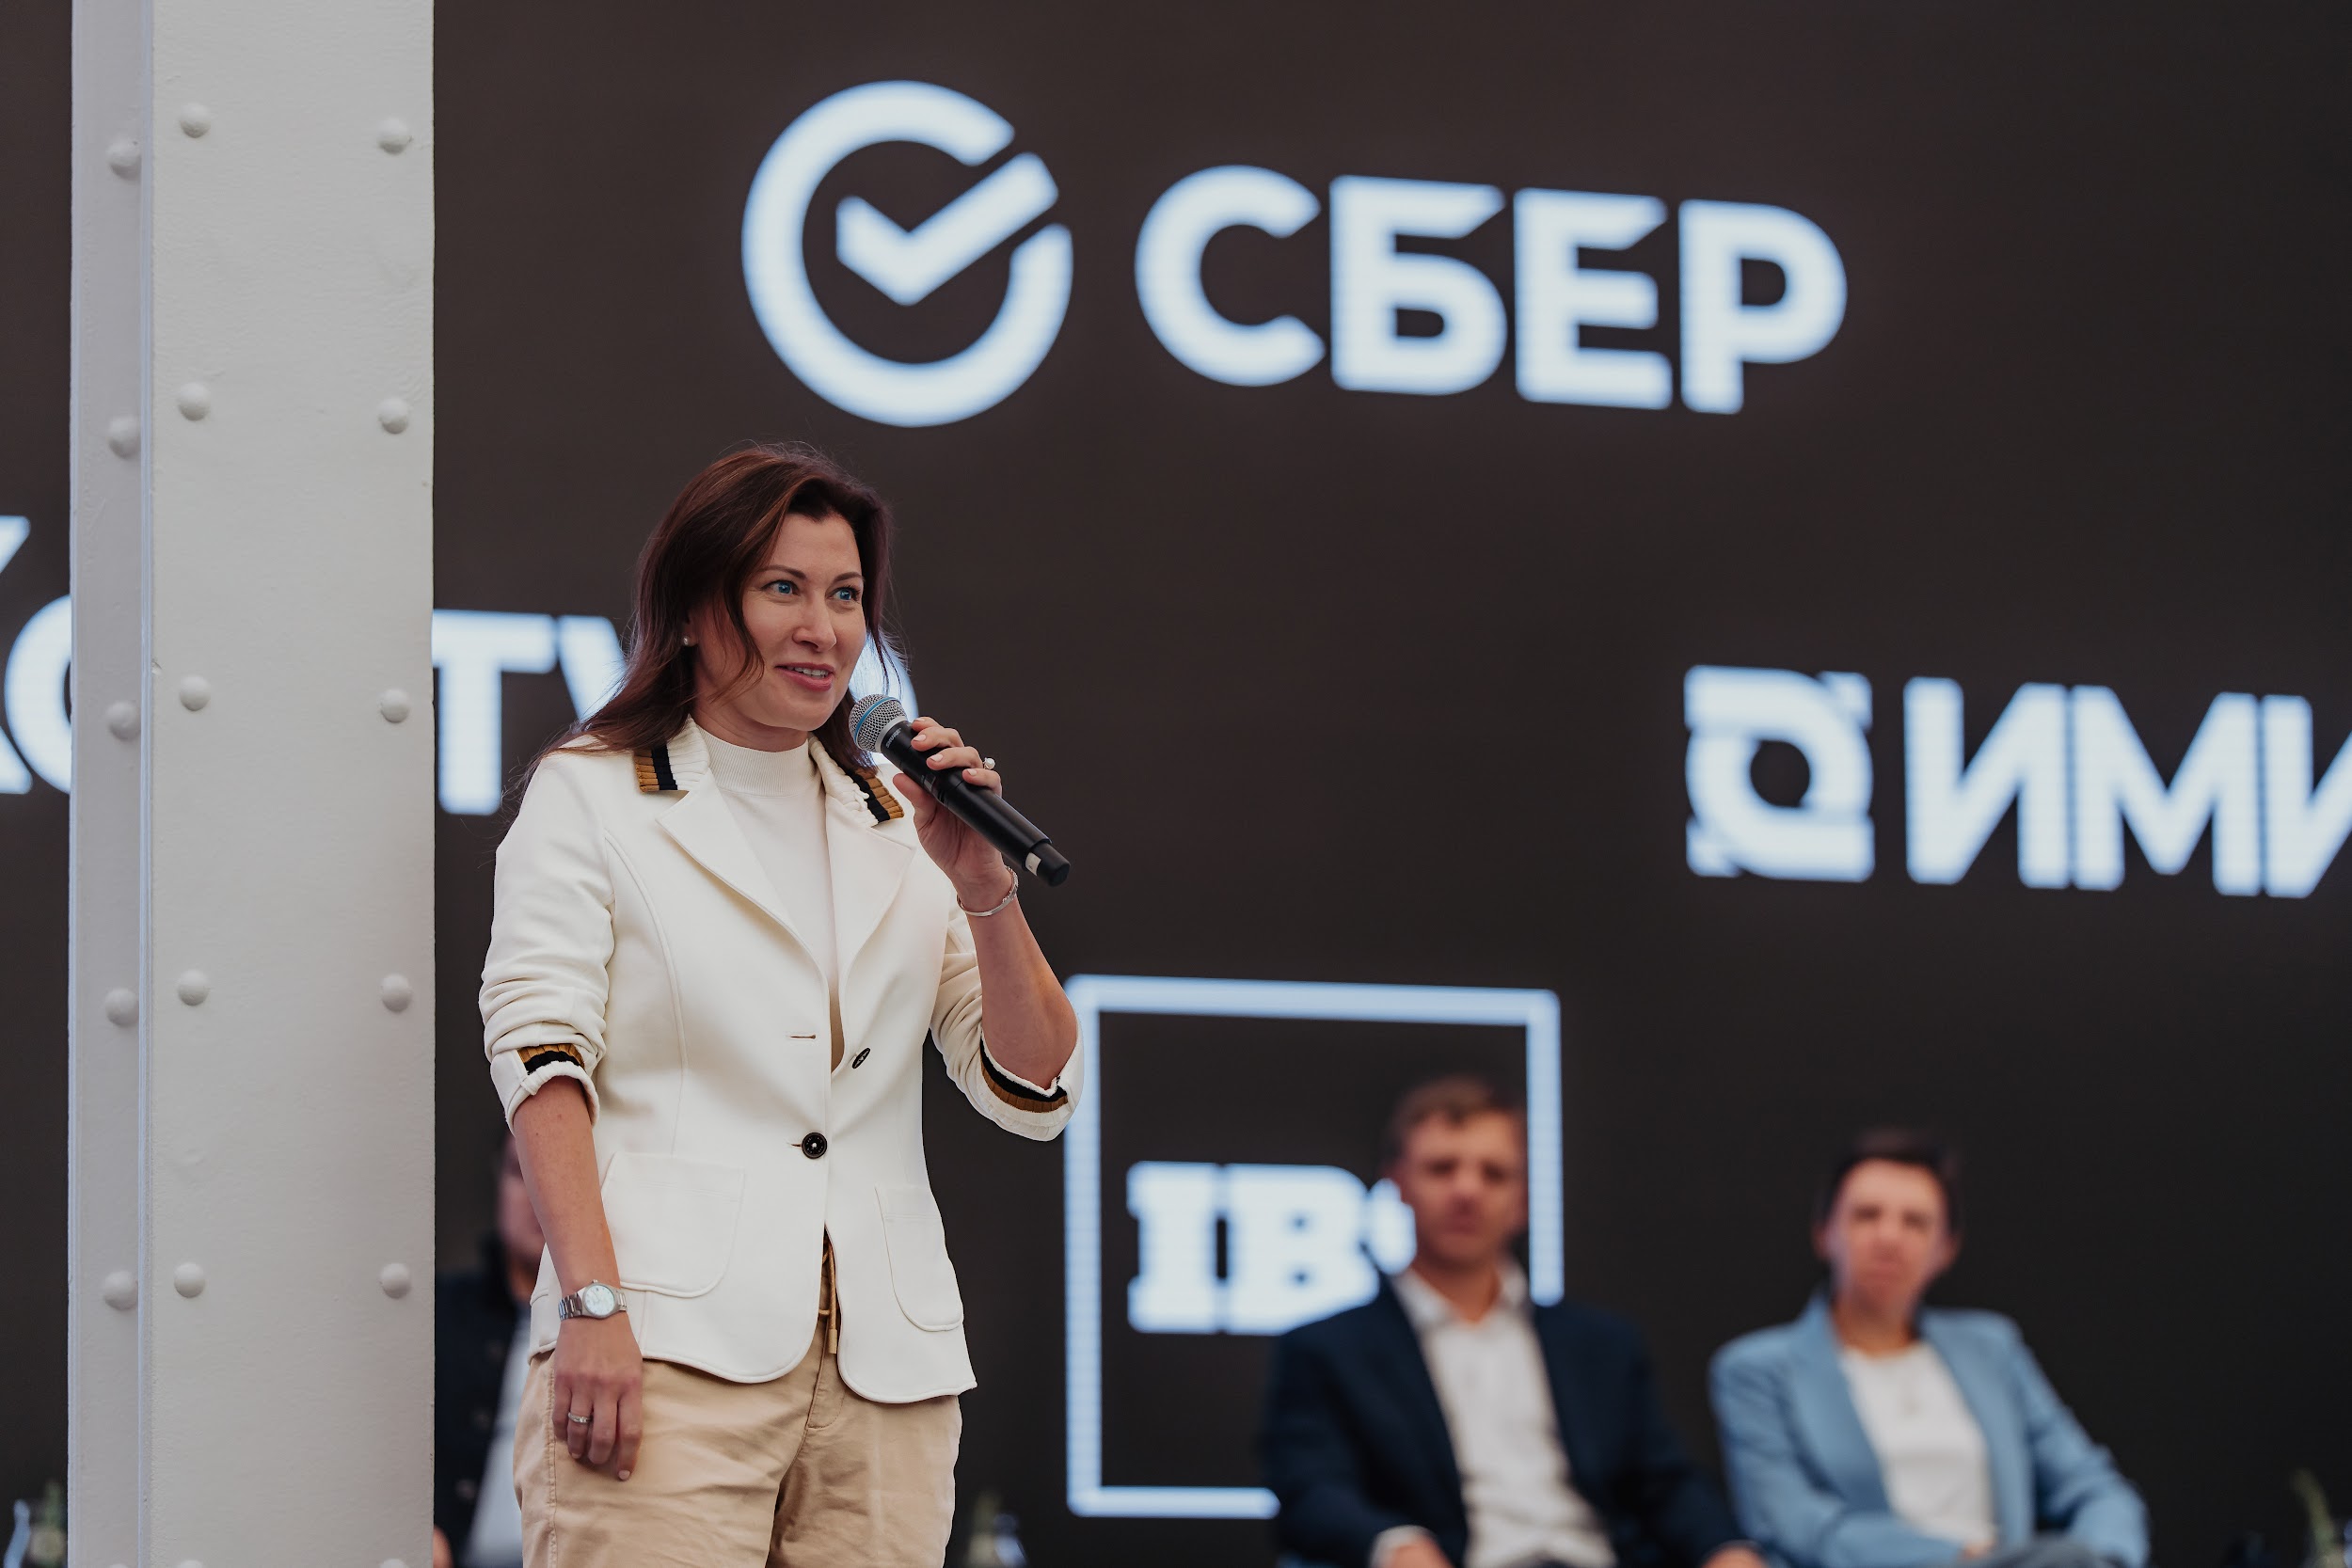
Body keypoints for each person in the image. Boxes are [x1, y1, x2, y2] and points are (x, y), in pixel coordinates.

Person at [480, 443, 1081, 1566]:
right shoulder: (593, 790)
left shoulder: (898, 817)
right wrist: (592, 1305)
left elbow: (1034, 1087)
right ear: (693, 610)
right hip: (664, 1347)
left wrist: (985, 888)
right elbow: (540, 1057)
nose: (822, 629)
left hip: (885, 1374)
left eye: (846, 595)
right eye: (782, 588)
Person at [1262, 1077, 1765, 1568]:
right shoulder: (1330, 1349)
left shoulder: (1600, 1345)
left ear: (1523, 1200)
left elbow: (1666, 1484)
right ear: (1397, 1184)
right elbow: (1312, 1491)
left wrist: (1725, 1550)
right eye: (1442, 1168)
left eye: (1494, 1173)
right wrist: (1394, 1545)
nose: (1467, 1191)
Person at [1709, 1132, 2146, 1568]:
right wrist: (1963, 1558)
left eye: (1915, 1222)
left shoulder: (1991, 1348)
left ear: (1946, 1248)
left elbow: (2093, 1486)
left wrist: (2103, 1560)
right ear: (1824, 1233)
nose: (1888, 1238)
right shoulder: (1758, 1370)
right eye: (1866, 1216)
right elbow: (1796, 1524)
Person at [433, 1135, 546, 1568]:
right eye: (522, 1172)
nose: (542, 1193)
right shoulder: (437, 1313)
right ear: (497, 1181)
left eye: (560, 1176)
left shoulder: (626, 1332)